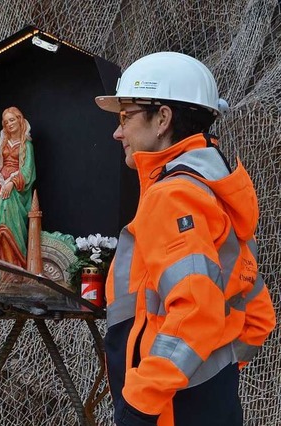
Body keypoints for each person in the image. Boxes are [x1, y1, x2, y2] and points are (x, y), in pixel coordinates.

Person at [94, 52, 276, 426]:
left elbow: (195, 310)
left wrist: (142, 405)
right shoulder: (212, 190)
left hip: (169, 409)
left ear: (162, 118)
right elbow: (257, 314)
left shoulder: (172, 196)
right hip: (209, 402)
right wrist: (213, 375)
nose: (117, 132)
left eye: (125, 115)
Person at [0, 106, 36, 269]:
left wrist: (12, 183)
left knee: (10, 228)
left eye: (12, 120)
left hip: (14, 191)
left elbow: (28, 171)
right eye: (6, 122)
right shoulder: (2, 143)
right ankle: (2, 270)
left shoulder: (26, 145)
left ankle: (16, 268)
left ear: (20, 120)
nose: (9, 124)